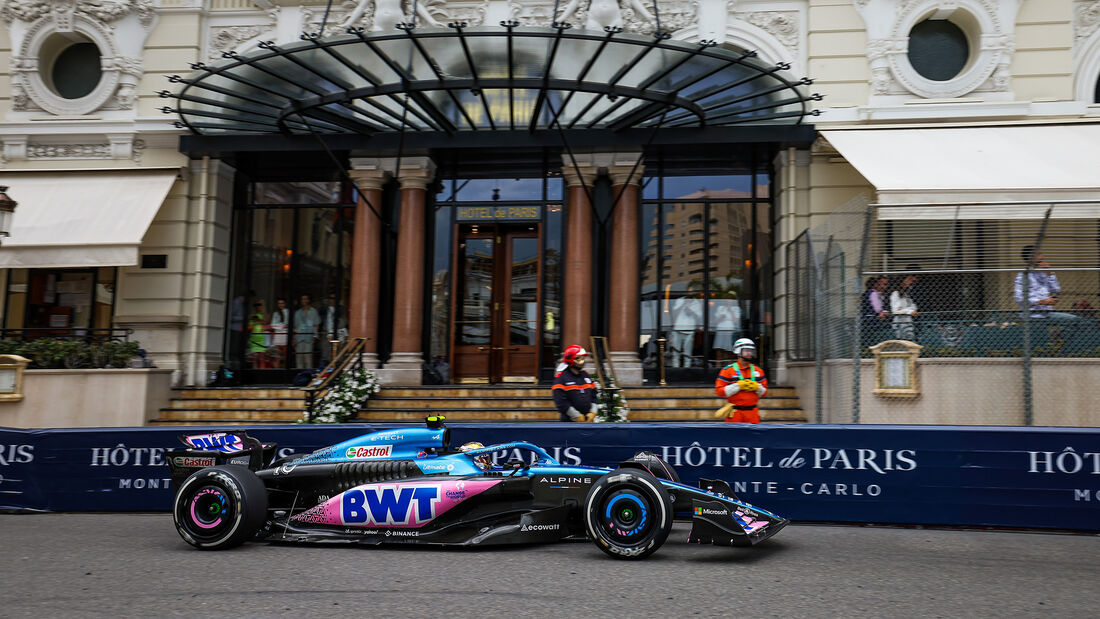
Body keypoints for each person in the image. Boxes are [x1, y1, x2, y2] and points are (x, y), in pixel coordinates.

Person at [1014, 245, 1077, 322]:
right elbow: (1019, 298)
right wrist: (1040, 301)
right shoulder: (1023, 276)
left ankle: (1059, 334)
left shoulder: (1042, 274)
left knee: (1076, 320)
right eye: (1039, 254)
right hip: (1032, 316)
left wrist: (1050, 273)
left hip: (1048, 314)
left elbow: (1056, 290)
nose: (1042, 257)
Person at [714, 338, 768, 423]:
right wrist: (737, 386)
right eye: (746, 350)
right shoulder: (728, 370)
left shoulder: (758, 370)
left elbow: (764, 392)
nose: (750, 353)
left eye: (751, 351)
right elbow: (719, 391)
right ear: (738, 352)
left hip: (753, 413)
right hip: (735, 414)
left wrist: (758, 387)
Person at [551, 345, 598, 422]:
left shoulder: (586, 375)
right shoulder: (561, 378)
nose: (582, 362)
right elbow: (560, 401)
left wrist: (593, 411)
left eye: (583, 358)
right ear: (571, 360)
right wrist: (575, 415)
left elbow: (594, 395)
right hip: (569, 421)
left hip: (588, 419)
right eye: (579, 359)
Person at [889, 270, 920, 341]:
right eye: (908, 279)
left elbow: (912, 306)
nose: (911, 282)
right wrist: (909, 311)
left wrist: (909, 310)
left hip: (908, 323)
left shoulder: (906, 294)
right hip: (900, 324)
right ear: (902, 280)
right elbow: (895, 310)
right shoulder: (895, 293)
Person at [293, 294, 321, 368]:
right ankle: (299, 376)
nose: (304, 301)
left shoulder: (313, 311)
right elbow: (295, 327)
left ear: (308, 300)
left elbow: (316, 325)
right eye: (302, 299)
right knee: (299, 358)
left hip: (309, 338)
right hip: (299, 338)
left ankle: (308, 376)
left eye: (306, 299)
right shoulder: (298, 312)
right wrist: (294, 338)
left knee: (308, 358)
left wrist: (315, 336)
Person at [860, 276, 890, 343]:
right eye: (878, 284)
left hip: (865, 318)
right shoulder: (873, 293)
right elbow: (877, 307)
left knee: (867, 337)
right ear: (875, 285)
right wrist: (881, 311)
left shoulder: (865, 293)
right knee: (873, 336)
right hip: (872, 319)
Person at [269, 298, 290, 368]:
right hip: (277, 334)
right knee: (276, 353)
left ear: (285, 304)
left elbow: (288, 324)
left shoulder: (288, 312)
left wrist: (282, 326)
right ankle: (276, 369)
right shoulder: (275, 313)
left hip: (285, 334)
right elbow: (272, 324)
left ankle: (285, 368)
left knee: (285, 353)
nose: (281, 305)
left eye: (282, 303)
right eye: (279, 303)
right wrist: (281, 326)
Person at [247, 301, 268, 368]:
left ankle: (262, 375)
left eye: (259, 305)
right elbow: (249, 327)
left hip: (262, 339)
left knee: (262, 359)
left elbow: (267, 324)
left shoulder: (265, 315)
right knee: (255, 359)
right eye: (256, 305)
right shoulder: (252, 316)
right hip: (254, 339)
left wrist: (259, 320)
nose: (258, 307)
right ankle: (255, 375)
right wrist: (253, 322)